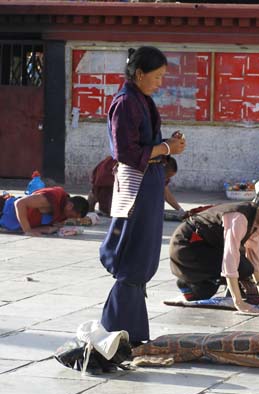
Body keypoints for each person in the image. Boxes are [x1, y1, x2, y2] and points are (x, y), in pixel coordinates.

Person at [99, 46, 186, 346]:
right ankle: (115, 329)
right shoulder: (125, 103)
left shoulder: (142, 101)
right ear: (139, 74)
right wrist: (165, 150)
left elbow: (146, 143)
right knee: (133, 257)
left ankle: (131, 332)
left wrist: (167, 144)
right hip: (135, 186)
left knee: (144, 256)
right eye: (157, 76)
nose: (160, 82)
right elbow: (126, 152)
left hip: (148, 184)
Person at [169, 190, 259, 315]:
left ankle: (190, 282)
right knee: (243, 267)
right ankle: (188, 278)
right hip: (187, 246)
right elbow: (230, 257)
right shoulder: (239, 217)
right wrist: (238, 303)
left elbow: (254, 255)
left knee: (204, 293)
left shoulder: (255, 220)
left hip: (206, 247)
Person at [88, 155, 183, 215]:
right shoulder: (148, 164)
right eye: (167, 176)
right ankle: (94, 196)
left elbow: (165, 192)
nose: (167, 180)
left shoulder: (156, 169)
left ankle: (99, 199)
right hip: (112, 177)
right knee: (118, 213)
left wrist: (180, 210)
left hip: (120, 182)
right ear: (162, 169)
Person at [0, 186, 88, 236]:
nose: (69, 218)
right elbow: (19, 203)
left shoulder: (63, 210)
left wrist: (50, 228)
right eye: (71, 216)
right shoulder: (51, 198)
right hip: (4, 208)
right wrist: (27, 230)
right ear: (70, 206)